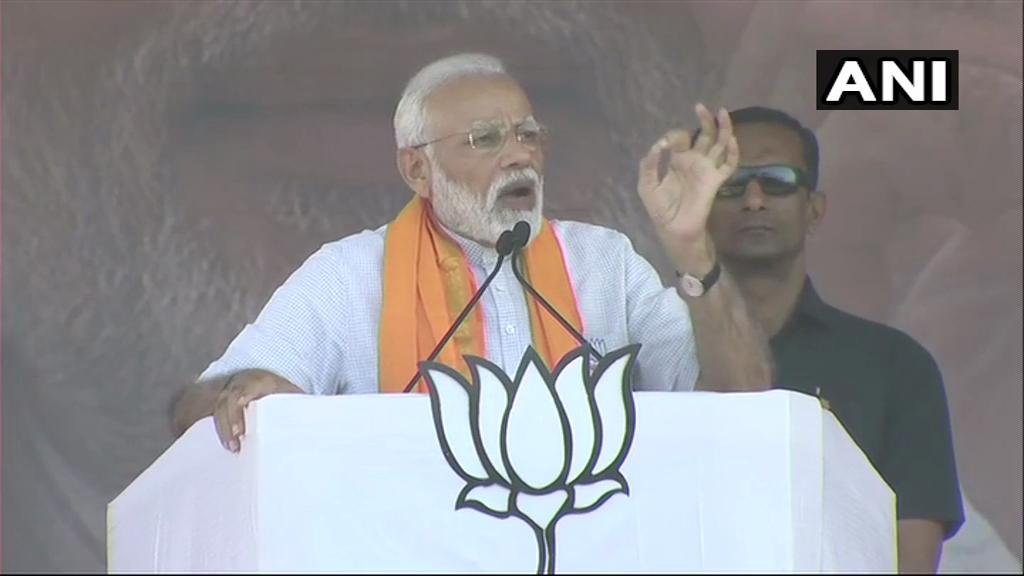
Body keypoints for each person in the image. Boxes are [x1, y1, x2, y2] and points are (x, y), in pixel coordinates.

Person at [171, 53, 773, 449]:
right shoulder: (350, 277)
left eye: (528, 135)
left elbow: (744, 400)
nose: (518, 155)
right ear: (416, 169)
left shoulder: (605, 265)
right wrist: (244, 395)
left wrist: (694, 253)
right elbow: (196, 410)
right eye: (485, 140)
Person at [707, 106, 964, 573]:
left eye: (779, 179)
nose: (755, 200)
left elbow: (913, 556)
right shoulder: (648, 354)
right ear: (696, 208)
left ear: (815, 209)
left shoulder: (895, 366)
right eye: (730, 183)